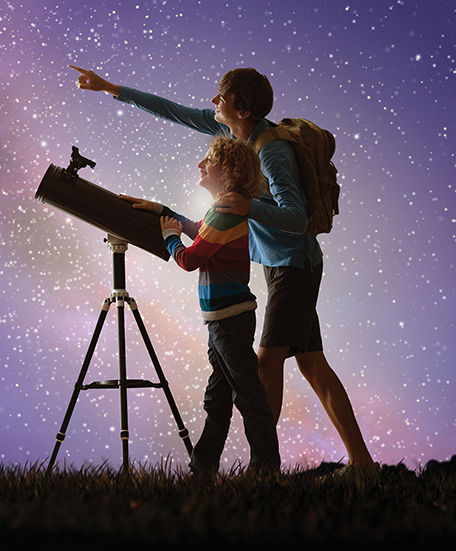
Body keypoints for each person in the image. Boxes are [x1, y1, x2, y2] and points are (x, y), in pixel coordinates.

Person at [70, 64, 376, 472]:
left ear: (243, 108)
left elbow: (297, 216)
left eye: (222, 97)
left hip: (295, 266)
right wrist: (112, 89)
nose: (213, 102)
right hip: (281, 264)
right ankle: (362, 464)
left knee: (265, 364)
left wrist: (250, 206)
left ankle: (262, 469)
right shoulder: (233, 135)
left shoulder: (270, 151)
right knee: (312, 363)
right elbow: (173, 111)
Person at [125, 136, 280, 475]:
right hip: (222, 320)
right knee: (218, 399)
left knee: (248, 396)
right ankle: (203, 469)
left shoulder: (226, 210)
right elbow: (199, 230)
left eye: (209, 160)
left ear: (228, 171)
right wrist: (161, 210)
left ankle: (266, 470)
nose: (201, 165)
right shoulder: (222, 209)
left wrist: (169, 238)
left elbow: (191, 257)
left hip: (229, 321)